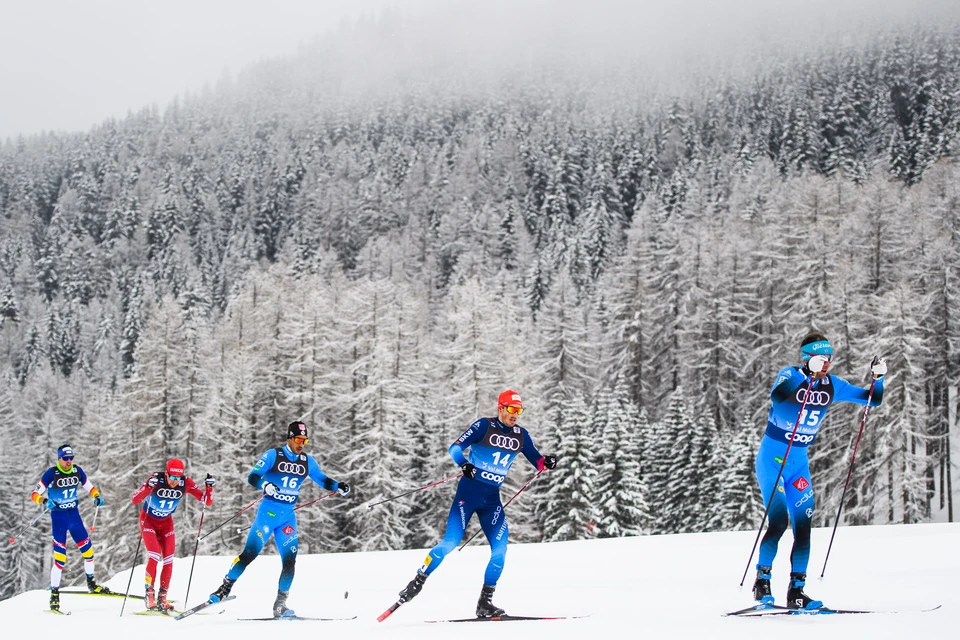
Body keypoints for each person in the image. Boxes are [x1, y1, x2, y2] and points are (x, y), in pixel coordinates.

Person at [391, 389, 558, 618]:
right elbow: (455, 448)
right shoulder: (483, 426)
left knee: (500, 550)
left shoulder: (521, 435)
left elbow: (537, 461)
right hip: (467, 495)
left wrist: (546, 462)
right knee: (450, 542)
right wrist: (464, 465)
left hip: (492, 500)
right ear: (500, 408)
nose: (515, 414)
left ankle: (485, 603)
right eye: (511, 409)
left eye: (518, 410)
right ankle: (417, 581)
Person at [752, 333, 887, 610]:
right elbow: (777, 398)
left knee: (804, 527)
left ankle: (797, 591)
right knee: (778, 523)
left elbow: (871, 400)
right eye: (819, 358)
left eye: (829, 358)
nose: (825, 363)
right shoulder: (789, 374)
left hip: (798, 464)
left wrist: (878, 379)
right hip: (772, 460)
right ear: (806, 358)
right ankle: (762, 584)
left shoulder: (832, 385)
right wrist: (804, 376)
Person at [207, 421, 351, 618]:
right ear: (290, 438)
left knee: (290, 562)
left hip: (287, 518)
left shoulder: (308, 461)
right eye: (299, 439)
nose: (302, 444)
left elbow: (322, 479)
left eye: (305, 440)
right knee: (249, 554)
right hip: (268, 514)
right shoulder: (273, 455)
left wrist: (338, 486)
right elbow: (253, 476)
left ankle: (280, 604)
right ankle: (224, 589)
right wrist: (265, 484)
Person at [30, 444, 109, 612]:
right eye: (66, 459)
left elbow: (90, 487)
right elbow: (34, 494)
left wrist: (96, 496)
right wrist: (44, 501)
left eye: (71, 458)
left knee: (89, 552)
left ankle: (91, 583)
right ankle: (54, 595)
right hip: (59, 518)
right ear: (59, 459)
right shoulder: (51, 473)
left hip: (74, 516)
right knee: (60, 560)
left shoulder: (77, 471)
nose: (69, 462)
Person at [131, 458, 215, 611]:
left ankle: (162, 597)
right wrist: (147, 487)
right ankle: (149, 593)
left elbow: (206, 501)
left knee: (169, 559)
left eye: (178, 477)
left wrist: (209, 488)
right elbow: (135, 499)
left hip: (166, 523)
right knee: (155, 555)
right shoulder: (156, 478)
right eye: (172, 477)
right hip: (148, 520)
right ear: (167, 473)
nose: (175, 481)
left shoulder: (185, 482)